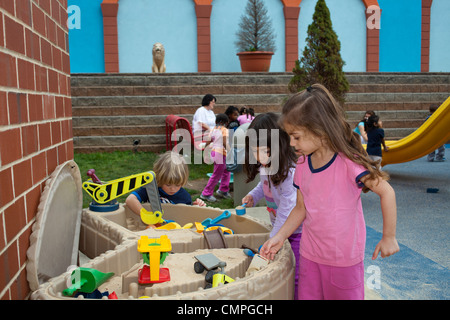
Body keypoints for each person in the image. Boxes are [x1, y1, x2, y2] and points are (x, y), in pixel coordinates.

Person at [260, 84, 399, 300]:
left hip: (343, 261)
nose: (291, 143)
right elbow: (300, 208)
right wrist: (280, 236)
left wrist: (389, 237)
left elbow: (387, 192)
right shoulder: (303, 163)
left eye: (296, 136)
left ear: (320, 130)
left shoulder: (348, 164)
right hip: (310, 256)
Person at [241, 112, 302, 299]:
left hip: (298, 232)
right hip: (280, 229)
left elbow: (287, 207)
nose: (258, 156)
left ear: (280, 145)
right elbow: (263, 184)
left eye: (264, 151)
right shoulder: (267, 165)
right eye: (254, 151)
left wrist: (275, 236)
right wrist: (253, 195)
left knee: (297, 273)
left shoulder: (289, 171)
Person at [126, 151, 206, 226]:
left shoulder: (185, 197)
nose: (173, 189)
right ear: (159, 179)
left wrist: (196, 206)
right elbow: (130, 200)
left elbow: (187, 217)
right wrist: (146, 215)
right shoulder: (150, 190)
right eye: (168, 184)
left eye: (178, 185)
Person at [200, 114, 231, 202]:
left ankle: (223, 190)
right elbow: (225, 142)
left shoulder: (213, 130)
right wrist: (231, 152)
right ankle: (206, 194)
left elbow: (208, 141)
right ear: (223, 122)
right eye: (226, 123)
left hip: (215, 152)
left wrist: (205, 152)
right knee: (216, 175)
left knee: (226, 171)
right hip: (220, 154)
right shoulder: (224, 130)